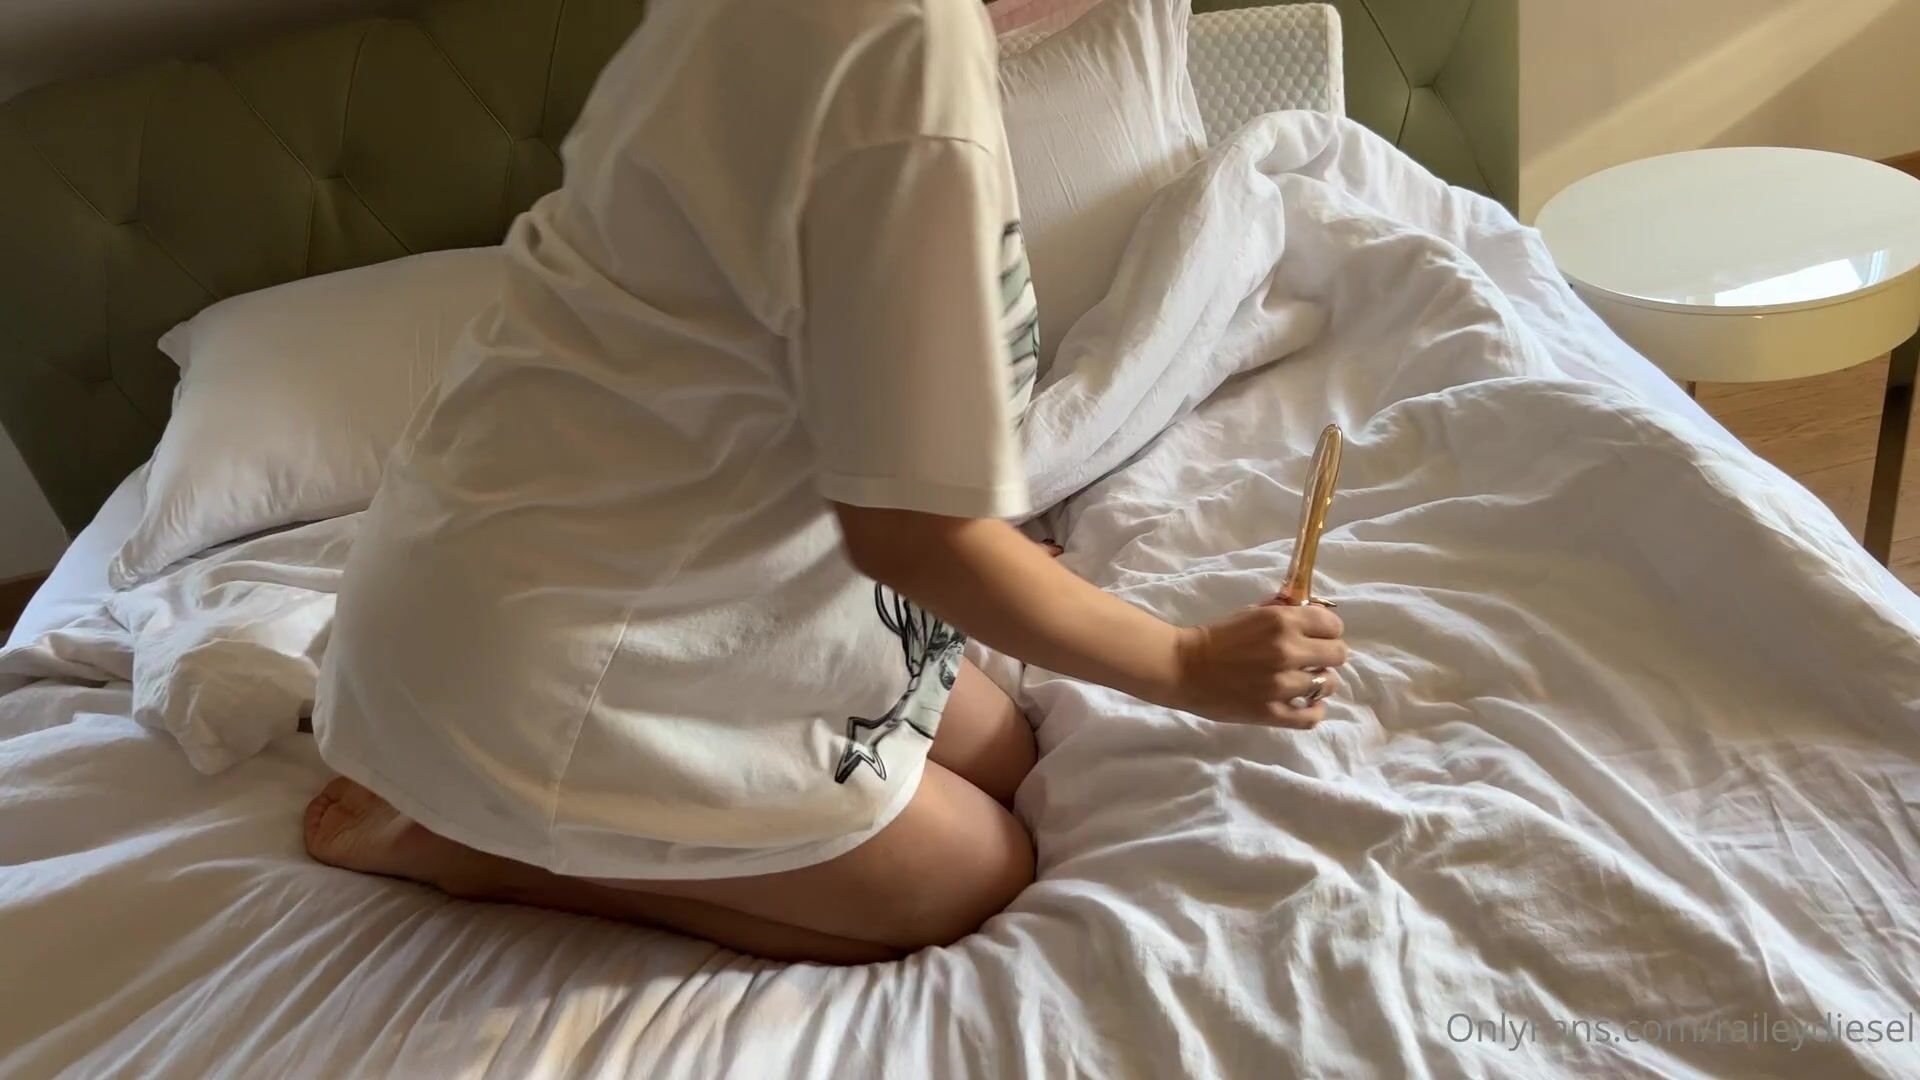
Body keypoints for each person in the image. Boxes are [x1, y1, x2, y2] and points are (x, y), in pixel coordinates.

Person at [304, 0, 1348, 966]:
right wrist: (1186, 663)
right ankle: (480, 848)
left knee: (1006, 750)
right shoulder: (899, 59)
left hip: (638, 569)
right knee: (974, 877)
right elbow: (915, 536)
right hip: (552, 647)